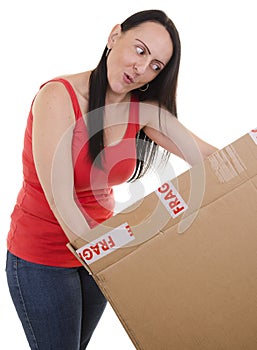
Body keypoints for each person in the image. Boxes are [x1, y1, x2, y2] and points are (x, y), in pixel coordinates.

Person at [5, 9, 217, 350]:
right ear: (114, 35)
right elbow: (61, 196)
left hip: (98, 254)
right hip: (42, 257)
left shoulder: (141, 110)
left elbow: (211, 158)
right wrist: (107, 258)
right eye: (140, 50)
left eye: (156, 65)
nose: (142, 68)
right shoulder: (58, 97)